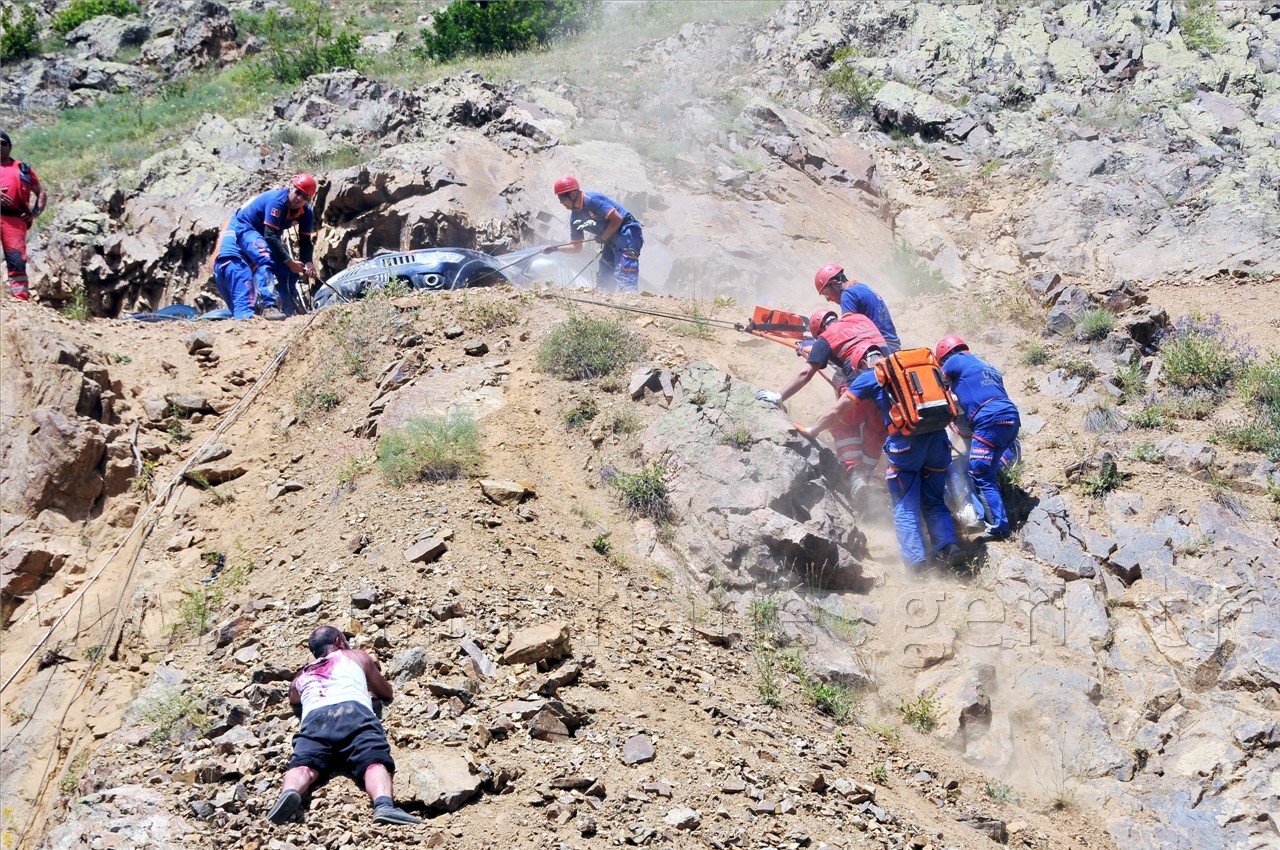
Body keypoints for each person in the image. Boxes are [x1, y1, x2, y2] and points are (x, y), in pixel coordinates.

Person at [804, 349, 964, 573]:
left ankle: (916, 563)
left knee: (905, 503)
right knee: (934, 499)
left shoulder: (870, 376)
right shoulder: (915, 368)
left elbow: (838, 410)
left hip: (906, 447)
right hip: (938, 441)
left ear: (860, 365)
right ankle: (948, 547)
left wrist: (813, 429)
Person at [267, 625, 421, 826]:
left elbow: (294, 700)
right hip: (353, 712)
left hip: (314, 717)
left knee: (304, 764)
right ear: (339, 641)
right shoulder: (355, 656)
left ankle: (290, 792)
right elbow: (385, 692)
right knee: (373, 759)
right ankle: (383, 805)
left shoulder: (301, 675)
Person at [756, 309, 888, 499]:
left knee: (839, 423)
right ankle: (866, 478)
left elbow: (806, 373)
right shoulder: (861, 319)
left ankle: (855, 474)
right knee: (876, 431)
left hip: (860, 391)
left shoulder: (825, 339)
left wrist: (779, 396)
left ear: (819, 331)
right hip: (886, 391)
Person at [936, 336, 1021, 541]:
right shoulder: (988, 367)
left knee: (978, 471)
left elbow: (936, 381)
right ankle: (988, 517)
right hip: (1010, 416)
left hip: (988, 417)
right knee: (984, 471)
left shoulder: (955, 361)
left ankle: (998, 526)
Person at [216, 174, 318, 320]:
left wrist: (307, 262)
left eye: (305, 197)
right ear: (291, 188)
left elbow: (305, 240)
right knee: (265, 258)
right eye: (298, 192)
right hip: (247, 227)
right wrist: (290, 261)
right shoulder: (277, 201)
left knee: (287, 271)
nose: (299, 198)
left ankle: (290, 309)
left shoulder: (306, 213)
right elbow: (270, 236)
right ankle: (269, 306)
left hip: (266, 235)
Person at [544, 175, 643, 293]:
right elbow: (576, 247)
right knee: (604, 277)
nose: (560, 202)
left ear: (573, 194)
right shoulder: (575, 218)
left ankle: (630, 300)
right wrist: (554, 249)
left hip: (627, 231)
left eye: (561, 198)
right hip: (611, 238)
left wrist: (603, 237)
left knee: (624, 270)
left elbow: (617, 219)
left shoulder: (592, 200)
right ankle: (605, 302)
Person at [0, 131, 47, 302]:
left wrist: (35, 214)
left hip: (15, 221)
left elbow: (40, 192)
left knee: (16, 261)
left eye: (3, 143)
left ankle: (20, 301)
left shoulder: (23, 169)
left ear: (10, 147)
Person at [814, 264, 901, 351]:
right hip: (892, 344)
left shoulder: (848, 296)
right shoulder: (861, 287)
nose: (828, 299)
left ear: (835, 284)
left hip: (880, 347)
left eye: (826, 293)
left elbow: (847, 332)